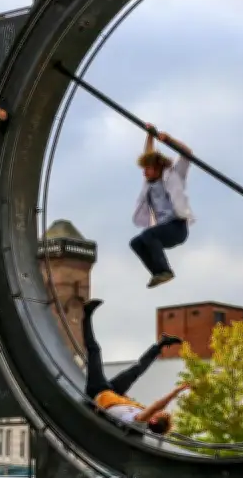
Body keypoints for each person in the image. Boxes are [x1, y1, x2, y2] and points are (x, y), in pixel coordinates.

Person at [83, 298, 189, 434]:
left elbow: (157, 406)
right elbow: (158, 408)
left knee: (95, 350)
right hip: (114, 393)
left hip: (97, 393)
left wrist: (176, 392)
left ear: (153, 420)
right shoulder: (143, 414)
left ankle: (86, 314)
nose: (154, 410)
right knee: (136, 370)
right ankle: (160, 344)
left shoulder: (138, 424)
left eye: (157, 413)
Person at [130, 123, 194, 288]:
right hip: (163, 231)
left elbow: (187, 154)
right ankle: (158, 273)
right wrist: (149, 136)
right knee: (136, 242)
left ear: (158, 167)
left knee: (148, 235)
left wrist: (170, 140)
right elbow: (148, 155)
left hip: (177, 228)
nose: (144, 173)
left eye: (148, 169)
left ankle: (165, 270)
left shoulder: (174, 175)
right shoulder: (149, 184)